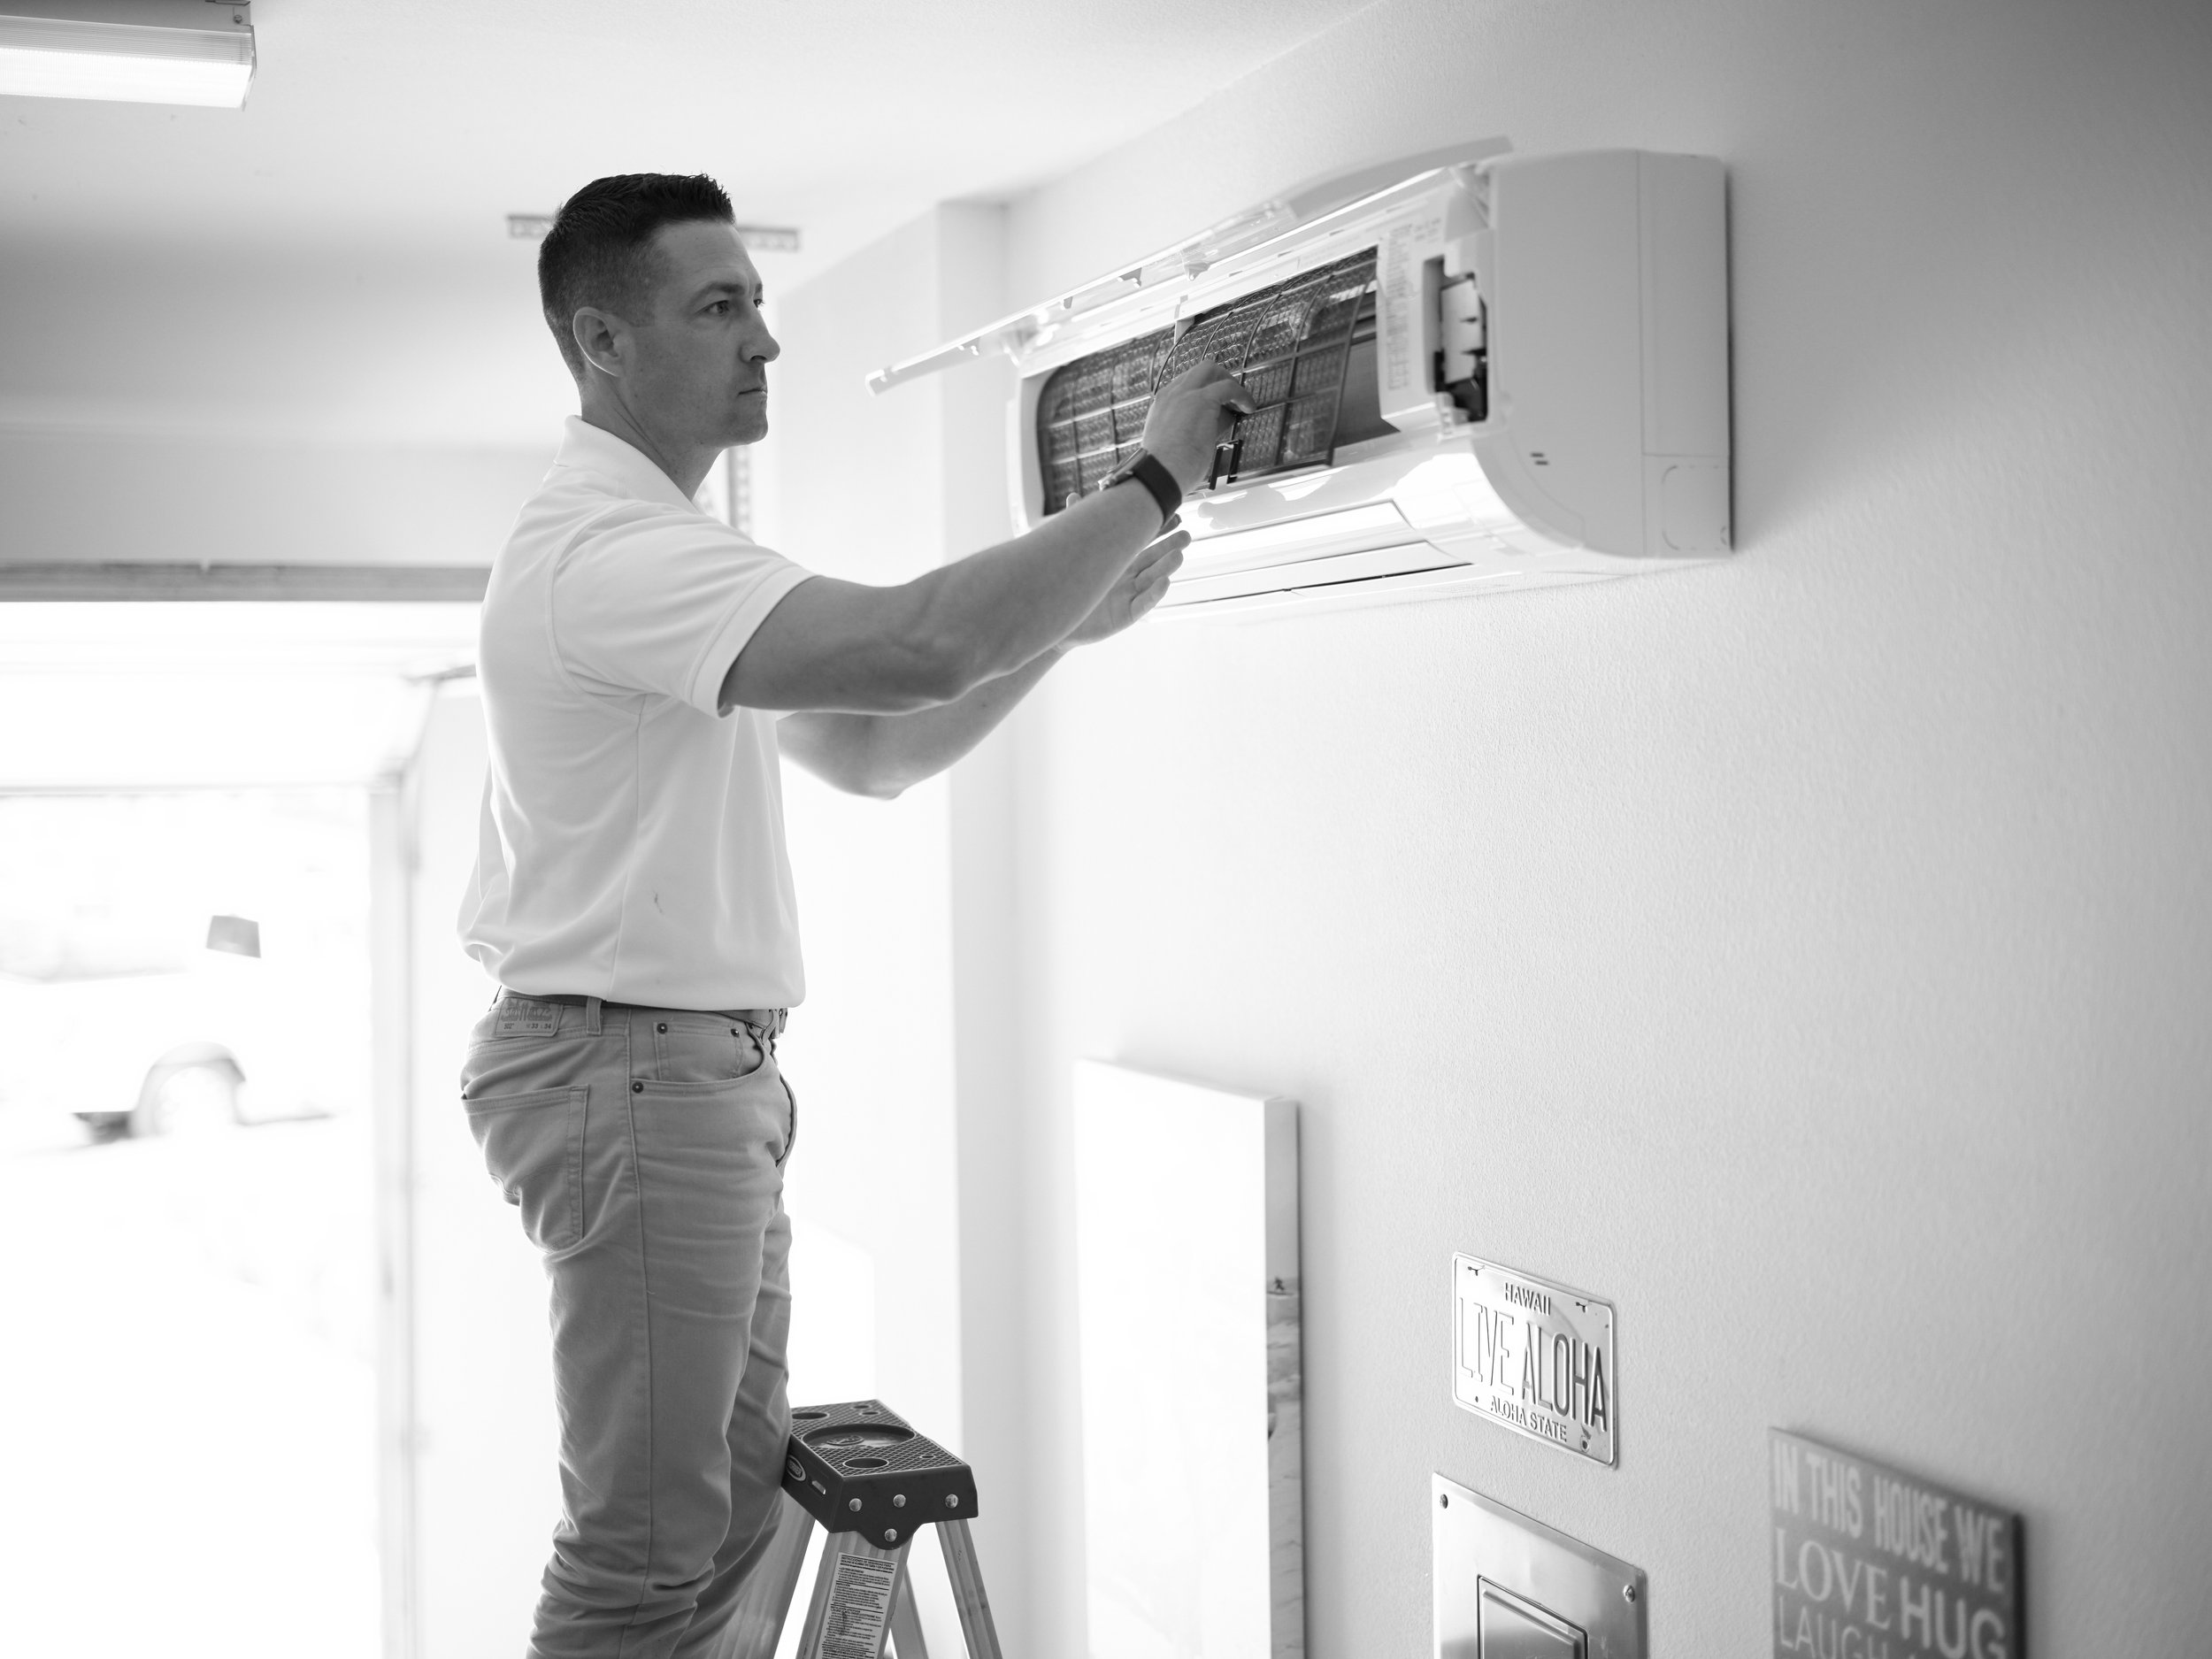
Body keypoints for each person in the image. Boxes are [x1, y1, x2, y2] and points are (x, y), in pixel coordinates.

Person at [455, 171, 1249, 1658]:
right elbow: (916, 645)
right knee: (640, 1569)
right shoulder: (608, 555)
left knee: (713, 1545)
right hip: (634, 1075)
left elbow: (878, 749)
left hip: (686, 1077)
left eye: (758, 302)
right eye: (717, 306)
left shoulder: (668, 564)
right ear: (601, 342)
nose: (764, 339)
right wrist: (1147, 479)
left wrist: (1068, 624)